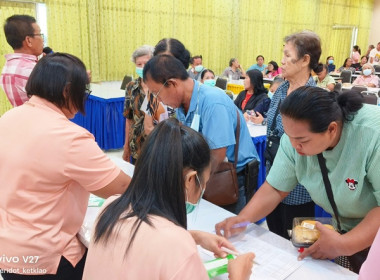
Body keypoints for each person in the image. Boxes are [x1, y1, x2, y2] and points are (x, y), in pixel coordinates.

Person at [216, 87, 380, 272]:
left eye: (302, 140)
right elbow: (276, 188)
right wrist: (243, 219)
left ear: (332, 129)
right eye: (290, 137)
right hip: (343, 230)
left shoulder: (372, 134)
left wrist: (344, 244)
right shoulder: (294, 140)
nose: (294, 146)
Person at [0, 53, 131, 280]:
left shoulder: (8, 118)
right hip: (48, 257)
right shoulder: (69, 136)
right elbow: (121, 187)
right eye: (84, 91)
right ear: (67, 91)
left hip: (9, 252)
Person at [83, 119, 255, 280]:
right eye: (205, 182)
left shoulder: (111, 206)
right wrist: (239, 275)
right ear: (190, 180)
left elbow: (143, 242)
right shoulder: (178, 247)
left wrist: (194, 236)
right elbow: (164, 244)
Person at [143, 54, 259, 214]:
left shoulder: (212, 102)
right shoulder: (182, 103)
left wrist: (193, 187)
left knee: (227, 232)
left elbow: (217, 154)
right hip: (206, 174)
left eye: (157, 93)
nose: (159, 100)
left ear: (172, 84)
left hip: (229, 177)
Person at [249, 31, 321, 239]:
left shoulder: (313, 98)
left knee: (297, 241)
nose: (282, 61)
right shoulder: (281, 90)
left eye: (288, 55)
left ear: (305, 60)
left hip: (298, 187)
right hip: (274, 179)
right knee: (274, 235)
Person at [0, 15, 43, 107]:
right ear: (28, 40)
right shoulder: (33, 70)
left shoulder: (7, 67)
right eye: (39, 34)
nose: (42, 40)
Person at [122, 45, 154, 164]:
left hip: (157, 147)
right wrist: (126, 147)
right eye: (138, 64)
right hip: (137, 146)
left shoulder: (162, 86)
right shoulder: (131, 86)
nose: (142, 67)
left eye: (146, 63)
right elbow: (129, 119)